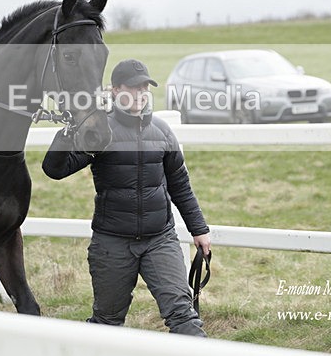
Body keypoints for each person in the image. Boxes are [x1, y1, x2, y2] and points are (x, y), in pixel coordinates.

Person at [42, 59, 212, 336]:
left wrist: (199, 229)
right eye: (133, 88)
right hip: (112, 244)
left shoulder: (162, 131)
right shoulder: (99, 132)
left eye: (145, 87)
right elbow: (55, 170)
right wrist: (67, 133)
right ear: (115, 90)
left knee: (183, 315)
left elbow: (180, 185)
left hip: (159, 240)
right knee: (107, 321)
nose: (140, 93)